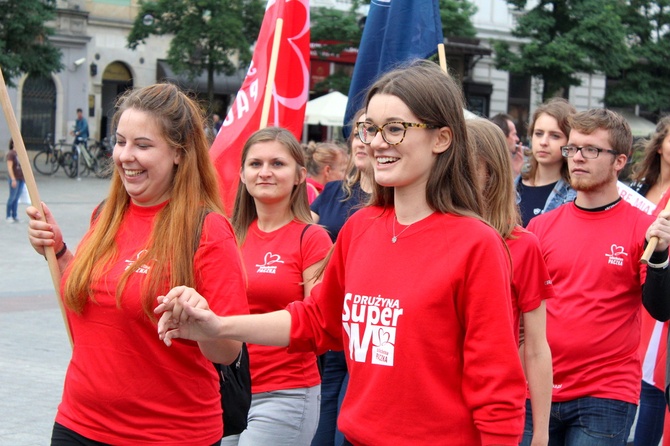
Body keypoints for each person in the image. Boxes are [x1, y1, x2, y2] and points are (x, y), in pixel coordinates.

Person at [156, 60, 528, 445]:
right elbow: (316, 321)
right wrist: (218, 325)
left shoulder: (477, 244)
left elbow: (497, 388)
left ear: (442, 138)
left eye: (396, 129)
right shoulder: (360, 228)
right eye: (370, 128)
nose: (377, 142)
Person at [26, 83, 249, 445]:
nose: (125, 156)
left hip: (167, 434)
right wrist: (60, 251)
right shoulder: (105, 215)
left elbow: (228, 350)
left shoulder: (207, 229)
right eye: (120, 141)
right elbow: (95, 300)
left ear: (179, 153)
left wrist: (204, 320)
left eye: (143, 145)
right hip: (78, 424)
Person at [526, 108, 670, 445]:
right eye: (573, 148)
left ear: (619, 161)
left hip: (605, 392)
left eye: (591, 150)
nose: (577, 158)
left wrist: (662, 254)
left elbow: (661, 309)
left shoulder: (643, 228)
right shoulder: (541, 227)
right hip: (537, 387)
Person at [222, 127, 332, 446]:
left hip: (285, 392)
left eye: (277, 164)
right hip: (228, 390)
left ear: (300, 176)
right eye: (255, 164)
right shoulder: (227, 236)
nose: (265, 172)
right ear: (242, 174)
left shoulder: (312, 238)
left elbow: (318, 327)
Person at [468, 119, 554, 446]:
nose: (452, 175)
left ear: (491, 172)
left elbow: (536, 346)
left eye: (466, 166)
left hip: (496, 406)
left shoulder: (523, 244)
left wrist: (541, 433)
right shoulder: (431, 235)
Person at [309, 108, 373, 446]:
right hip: (332, 319)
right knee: (322, 428)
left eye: (373, 129)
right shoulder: (334, 192)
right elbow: (302, 234)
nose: (364, 138)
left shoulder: (390, 197)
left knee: (346, 432)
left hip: (368, 328)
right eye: (359, 130)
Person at [629, 116, 670, 446]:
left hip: (659, 290)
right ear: (660, 145)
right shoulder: (639, 187)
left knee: (654, 379)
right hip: (631, 286)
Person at [516, 98, 577, 227]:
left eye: (555, 136)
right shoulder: (514, 186)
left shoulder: (574, 195)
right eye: (538, 133)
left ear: (570, 143)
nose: (543, 142)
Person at [6, 139, 25, 223]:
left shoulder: (20, 153)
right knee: (12, 197)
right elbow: (9, 167)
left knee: (17, 198)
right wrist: (13, 178)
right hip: (15, 178)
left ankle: (15, 215)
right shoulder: (11, 154)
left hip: (21, 178)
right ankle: (8, 216)